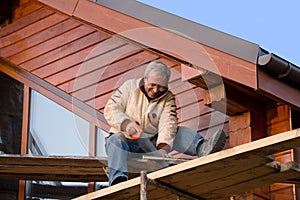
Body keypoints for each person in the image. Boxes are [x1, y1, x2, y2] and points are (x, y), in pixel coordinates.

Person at [104, 61, 226, 186]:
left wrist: (163, 146)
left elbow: (168, 123)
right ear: (145, 78)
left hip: (150, 144)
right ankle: (118, 182)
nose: (156, 90)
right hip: (126, 144)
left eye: (161, 86)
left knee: (178, 132)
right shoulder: (129, 87)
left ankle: (202, 147)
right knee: (116, 140)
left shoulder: (168, 98)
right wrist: (126, 124)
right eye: (153, 84)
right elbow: (110, 109)